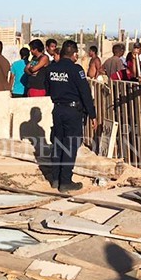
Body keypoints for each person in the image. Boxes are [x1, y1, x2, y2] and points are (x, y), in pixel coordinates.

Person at [46, 40, 97, 193]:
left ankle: (55, 178)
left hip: (57, 109)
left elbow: (48, 88)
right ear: (74, 54)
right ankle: (66, 181)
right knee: (70, 145)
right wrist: (92, 114)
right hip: (72, 112)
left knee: (58, 143)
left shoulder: (51, 68)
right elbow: (85, 93)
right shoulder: (76, 69)